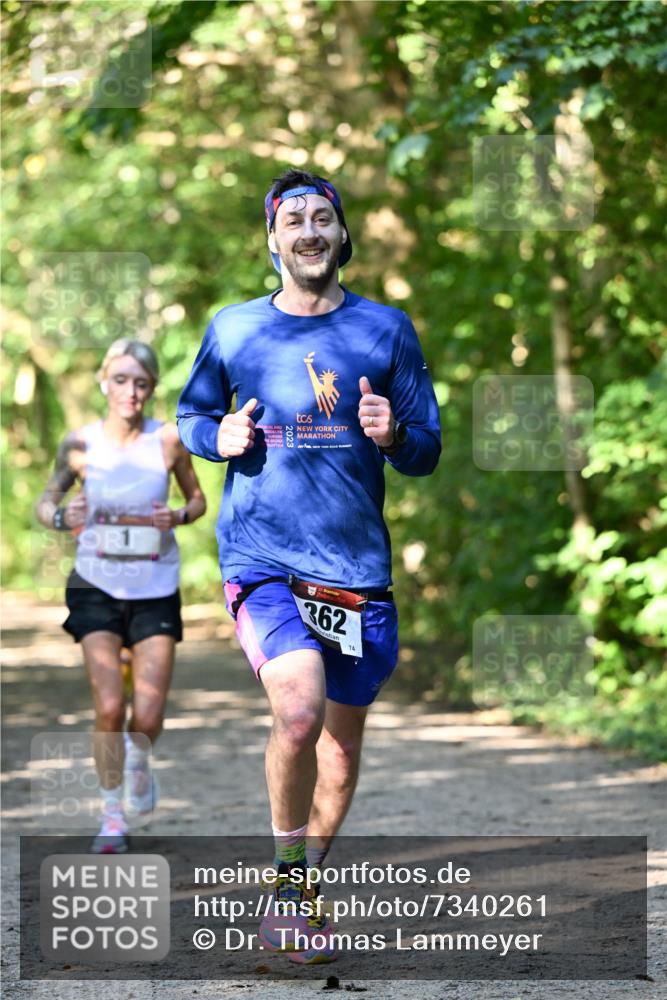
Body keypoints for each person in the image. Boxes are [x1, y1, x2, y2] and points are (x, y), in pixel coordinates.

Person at [177, 169, 440, 963]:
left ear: (341, 234)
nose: (308, 230)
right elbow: (191, 414)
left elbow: (425, 451)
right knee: (296, 714)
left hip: (353, 568)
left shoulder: (385, 330)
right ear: (272, 240)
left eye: (322, 217)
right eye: (293, 219)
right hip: (261, 558)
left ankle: (298, 886)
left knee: (338, 752)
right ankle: (291, 891)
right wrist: (212, 437)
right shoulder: (233, 329)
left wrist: (393, 435)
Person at [37, 339, 206, 854]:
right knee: (110, 706)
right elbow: (47, 502)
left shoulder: (169, 440)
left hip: (155, 587)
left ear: (152, 388)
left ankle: (138, 758)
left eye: (141, 383)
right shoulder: (80, 444)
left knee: (148, 718)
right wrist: (65, 517)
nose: (130, 392)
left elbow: (197, 499)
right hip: (96, 586)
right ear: (104, 383)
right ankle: (112, 817)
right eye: (121, 380)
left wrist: (176, 515)